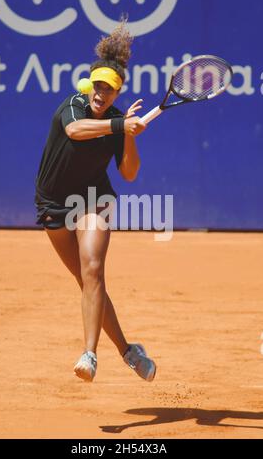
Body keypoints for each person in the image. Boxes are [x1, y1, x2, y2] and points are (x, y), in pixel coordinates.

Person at [34, 20, 156, 382]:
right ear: (89, 85)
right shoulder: (72, 106)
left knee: (92, 272)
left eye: (109, 89)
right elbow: (75, 131)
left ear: (117, 93)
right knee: (84, 282)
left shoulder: (119, 122)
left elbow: (129, 173)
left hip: (92, 198)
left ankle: (90, 355)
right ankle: (128, 350)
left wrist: (130, 134)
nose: (101, 93)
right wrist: (120, 127)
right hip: (52, 201)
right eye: (98, 86)